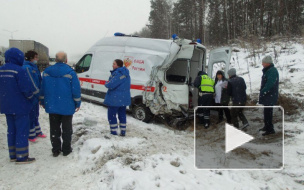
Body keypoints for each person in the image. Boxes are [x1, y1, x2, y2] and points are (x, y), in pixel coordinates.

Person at [40, 51, 81, 157]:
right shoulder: (70, 73)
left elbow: (42, 88)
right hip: (67, 106)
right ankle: (66, 149)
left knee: (54, 128)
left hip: (52, 105)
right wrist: (77, 102)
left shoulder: (46, 72)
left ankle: (55, 149)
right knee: (67, 129)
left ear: (55, 59)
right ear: (66, 60)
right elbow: (75, 90)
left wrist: (43, 101)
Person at [0, 48, 37, 164]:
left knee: (11, 130)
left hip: (6, 106)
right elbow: (26, 89)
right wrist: (31, 99)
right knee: (21, 130)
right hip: (20, 106)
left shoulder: (1, 70)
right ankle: (22, 156)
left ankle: (13, 155)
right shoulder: (19, 71)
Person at [23, 50, 46, 142]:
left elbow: (39, 80)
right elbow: (32, 83)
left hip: (36, 96)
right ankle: (31, 135)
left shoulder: (34, 67)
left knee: (36, 114)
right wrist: (37, 93)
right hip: (31, 96)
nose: (37, 59)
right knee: (31, 115)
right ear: (31, 58)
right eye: (36, 57)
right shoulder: (27, 68)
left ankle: (37, 131)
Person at [104, 59, 131, 136]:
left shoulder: (118, 73)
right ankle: (123, 131)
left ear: (118, 65)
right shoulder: (126, 74)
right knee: (122, 115)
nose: (112, 65)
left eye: (114, 64)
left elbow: (111, 85)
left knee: (111, 115)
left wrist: (106, 83)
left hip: (115, 99)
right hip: (123, 99)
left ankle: (114, 132)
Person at [259, 55, 279, 136]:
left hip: (270, 95)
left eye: (263, 62)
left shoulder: (272, 71)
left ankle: (270, 129)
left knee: (268, 112)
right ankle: (267, 126)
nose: (262, 64)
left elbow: (270, 83)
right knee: (266, 112)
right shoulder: (268, 70)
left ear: (267, 63)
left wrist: (263, 91)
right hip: (268, 95)